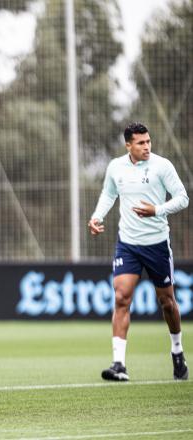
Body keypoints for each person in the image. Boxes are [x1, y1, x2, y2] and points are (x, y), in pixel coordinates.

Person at [89, 122, 189, 381]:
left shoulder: (162, 166)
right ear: (128, 145)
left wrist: (157, 210)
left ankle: (177, 351)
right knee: (121, 297)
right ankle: (119, 365)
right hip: (128, 244)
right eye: (141, 143)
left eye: (148, 141)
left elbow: (182, 198)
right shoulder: (115, 167)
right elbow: (109, 194)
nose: (147, 146)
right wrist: (97, 216)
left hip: (157, 244)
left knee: (167, 302)